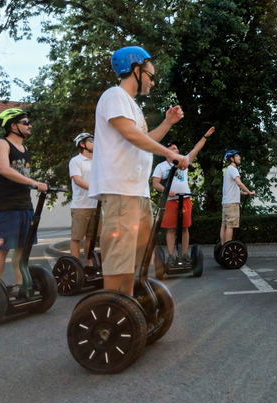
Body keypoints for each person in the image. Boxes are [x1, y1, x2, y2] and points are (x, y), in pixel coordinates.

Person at [88, 46, 188, 296]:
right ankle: (110, 309)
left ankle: (128, 305)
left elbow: (144, 141)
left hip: (136, 191)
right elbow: (131, 135)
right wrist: (169, 153)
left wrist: (167, 123)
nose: (153, 82)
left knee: (132, 257)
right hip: (120, 188)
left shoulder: (132, 106)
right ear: (136, 70)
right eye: (150, 76)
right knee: (118, 255)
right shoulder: (115, 96)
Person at [0, 108, 48, 297]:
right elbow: (5, 170)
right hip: (5, 206)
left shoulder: (25, 149)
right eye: (25, 123)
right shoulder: (0, 144)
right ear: (13, 126)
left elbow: (22, 176)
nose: (30, 126)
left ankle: (21, 286)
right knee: (2, 248)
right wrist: (34, 183)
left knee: (23, 248)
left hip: (24, 205)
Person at [152, 126, 215, 265]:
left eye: (177, 148)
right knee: (171, 229)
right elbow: (155, 183)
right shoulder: (161, 166)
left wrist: (205, 136)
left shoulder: (184, 161)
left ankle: (184, 254)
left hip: (184, 199)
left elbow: (195, 149)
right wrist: (166, 191)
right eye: (174, 148)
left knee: (185, 228)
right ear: (167, 151)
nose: (177, 150)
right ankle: (170, 255)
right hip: (170, 201)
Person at [69, 132, 101, 265]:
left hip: (96, 205)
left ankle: (89, 264)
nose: (94, 142)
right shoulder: (76, 161)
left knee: (91, 237)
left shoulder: (98, 161)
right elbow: (77, 180)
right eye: (91, 140)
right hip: (80, 206)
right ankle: (75, 266)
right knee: (76, 237)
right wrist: (96, 190)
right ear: (82, 144)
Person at [221, 150, 255, 245]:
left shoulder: (227, 170)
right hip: (232, 203)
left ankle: (223, 247)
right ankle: (228, 247)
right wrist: (249, 192)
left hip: (226, 203)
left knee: (224, 225)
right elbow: (239, 183)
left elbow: (233, 189)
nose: (239, 157)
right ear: (231, 159)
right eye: (237, 156)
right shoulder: (233, 169)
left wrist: (245, 193)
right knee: (230, 226)